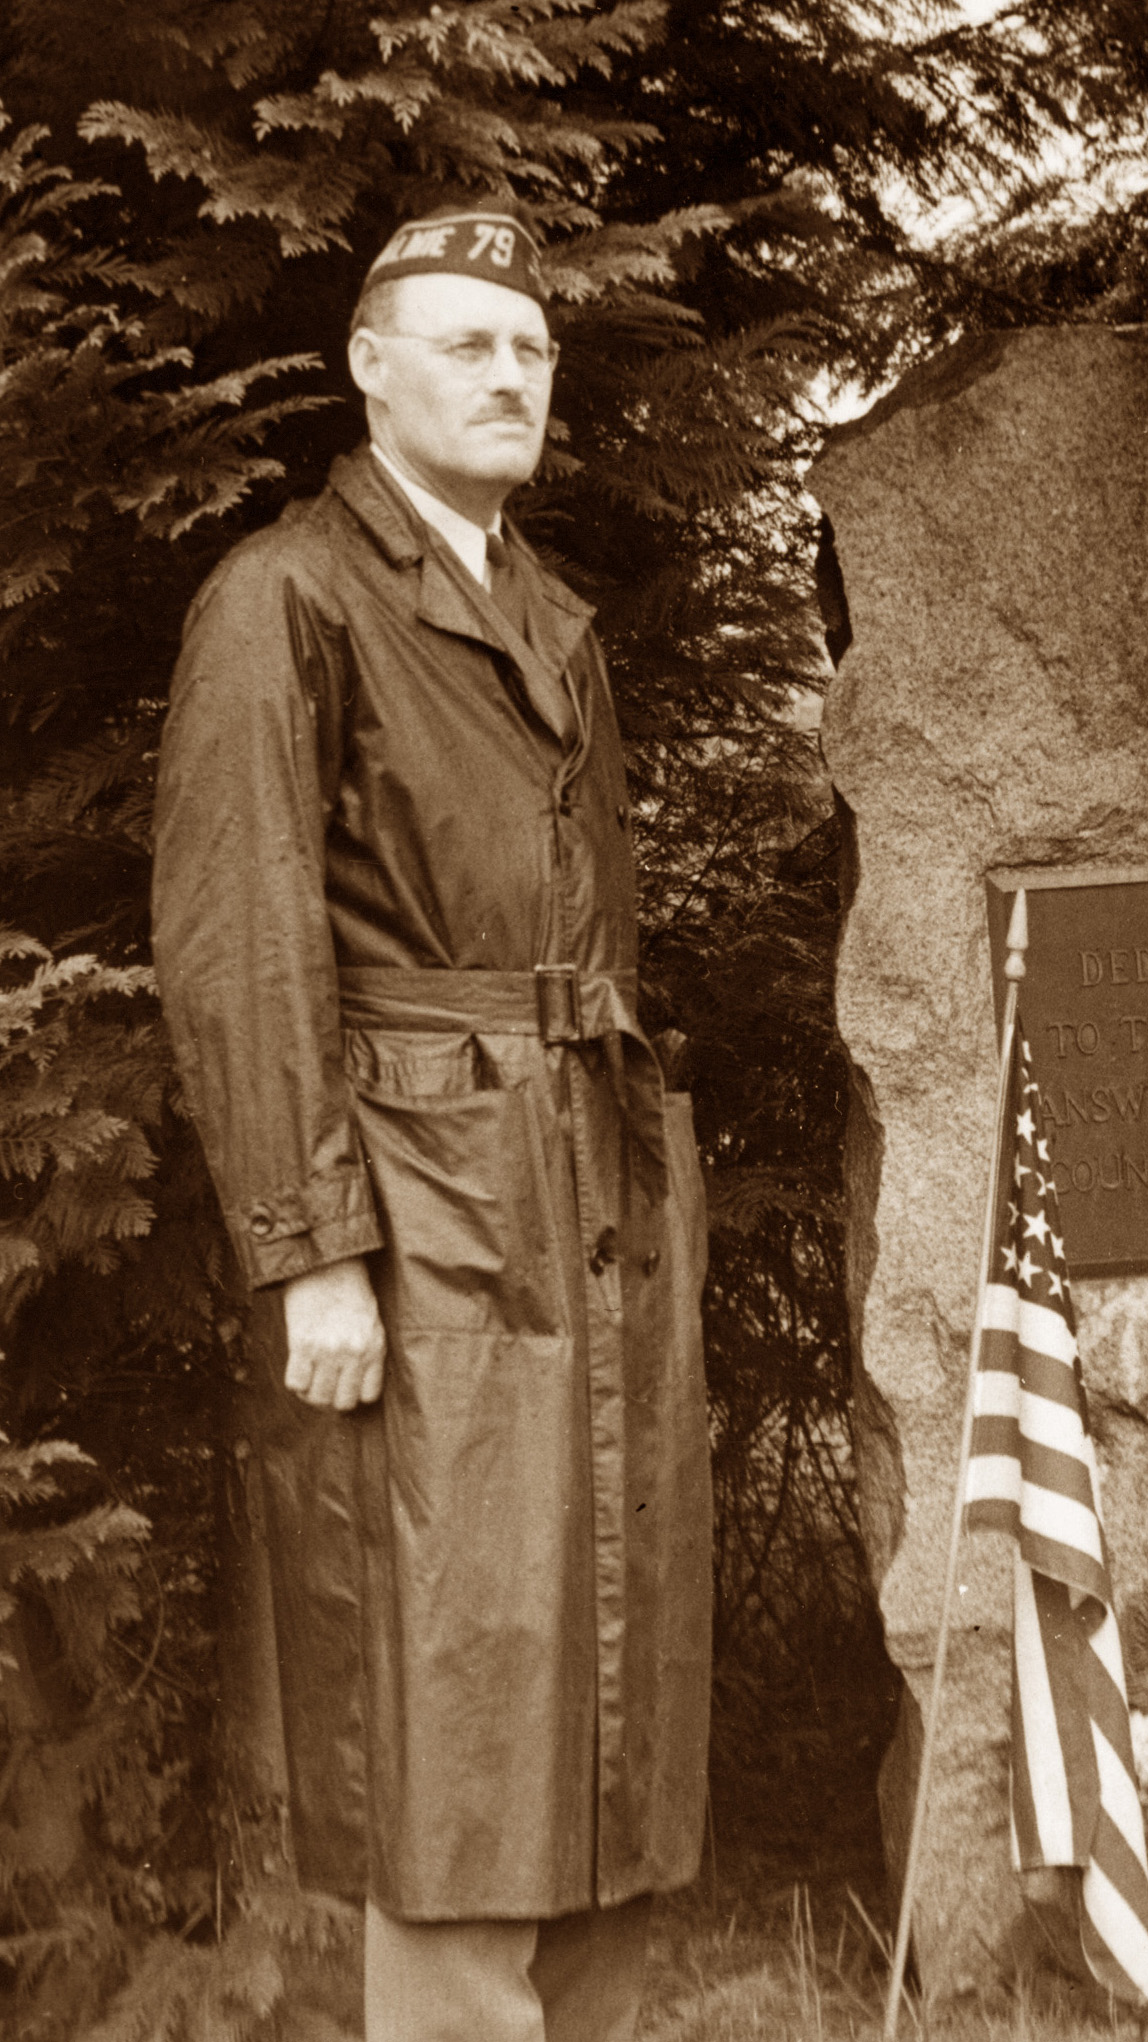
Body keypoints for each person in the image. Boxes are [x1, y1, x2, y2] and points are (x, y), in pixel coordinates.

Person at [151, 206, 713, 2042]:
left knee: (604, 1673)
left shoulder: (551, 616)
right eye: (466, 343)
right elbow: (240, 946)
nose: (509, 375)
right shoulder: (285, 598)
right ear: (369, 369)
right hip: (420, 1202)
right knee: (461, 1680)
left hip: (586, 1191)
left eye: (532, 350)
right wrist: (312, 1249)